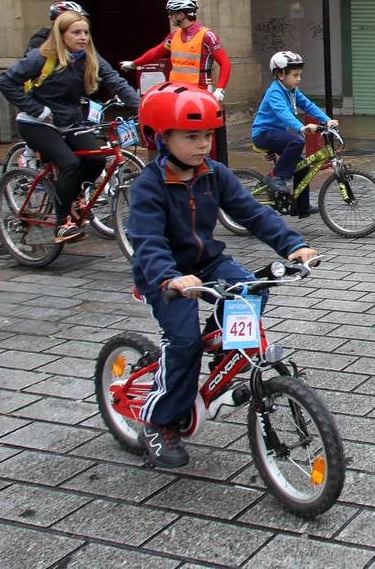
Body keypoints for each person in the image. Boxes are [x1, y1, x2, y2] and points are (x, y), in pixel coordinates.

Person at [127, 82, 317, 468]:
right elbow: (146, 240)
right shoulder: (149, 186)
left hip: (207, 264)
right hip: (164, 276)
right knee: (184, 343)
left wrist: (292, 245)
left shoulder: (214, 174)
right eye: (191, 136)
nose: (202, 145)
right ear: (161, 137)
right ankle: (159, 422)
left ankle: (227, 349)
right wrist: (170, 277)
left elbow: (253, 213)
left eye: (207, 136)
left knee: (253, 288)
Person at [0, 9, 141, 242]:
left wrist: (143, 107)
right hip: (36, 123)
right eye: (76, 32)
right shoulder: (41, 57)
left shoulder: (90, 57)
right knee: (69, 163)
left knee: (96, 159)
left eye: (85, 32)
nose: (83, 37)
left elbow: (116, 82)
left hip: (70, 122)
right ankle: (63, 224)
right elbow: (4, 82)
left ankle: (71, 199)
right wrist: (37, 110)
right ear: (61, 35)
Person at [120, 0, 233, 163]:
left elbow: (225, 63)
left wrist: (219, 90)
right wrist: (134, 64)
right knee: (176, 131)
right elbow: (156, 52)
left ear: (181, 15)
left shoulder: (207, 36)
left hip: (200, 93)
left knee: (205, 134)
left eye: (172, 13)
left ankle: (215, 169)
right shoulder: (174, 36)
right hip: (177, 93)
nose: (170, 17)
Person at [251, 51, 338, 218]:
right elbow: (283, 113)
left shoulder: (292, 90)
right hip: (263, 134)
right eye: (295, 75)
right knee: (296, 142)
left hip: (277, 134)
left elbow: (308, 105)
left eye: (300, 75)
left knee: (303, 166)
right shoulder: (275, 92)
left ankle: (301, 207)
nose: (299, 79)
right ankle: (276, 176)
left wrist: (327, 120)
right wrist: (301, 127)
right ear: (281, 74)